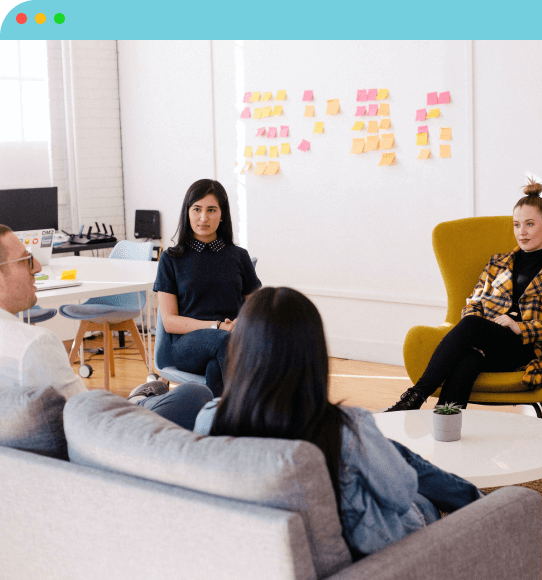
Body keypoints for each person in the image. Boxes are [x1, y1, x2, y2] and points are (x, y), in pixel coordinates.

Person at [192, 287, 484, 557]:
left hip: (264, 552)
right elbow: (400, 494)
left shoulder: (210, 418)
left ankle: (474, 498)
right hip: (369, 557)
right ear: (314, 354)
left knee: (388, 449)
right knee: (417, 494)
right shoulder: (345, 428)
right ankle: (486, 508)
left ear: (240, 350)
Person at [386, 179, 542, 411]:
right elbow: (474, 302)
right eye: (517, 225)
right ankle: (444, 422)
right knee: (469, 359)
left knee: (471, 325)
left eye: (530, 224)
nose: (522, 232)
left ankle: (415, 396)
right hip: (488, 342)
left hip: (526, 348)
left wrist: (522, 327)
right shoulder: (498, 262)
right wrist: (487, 329)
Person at [0, 224, 212, 430]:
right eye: (25, 260)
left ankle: (135, 401)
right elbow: (88, 417)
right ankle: (137, 402)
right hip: (108, 438)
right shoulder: (33, 346)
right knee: (195, 394)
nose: (37, 266)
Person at [154, 179, 261, 396]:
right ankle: (256, 413)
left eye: (211, 210)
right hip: (187, 346)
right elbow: (170, 321)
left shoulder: (239, 256)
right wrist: (217, 326)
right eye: (197, 209)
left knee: (217, 367)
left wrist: (242, 321)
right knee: (226, 342)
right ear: (187, 213)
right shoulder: (171, 259)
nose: (204, 218)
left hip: (229, 342)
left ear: (222, 215)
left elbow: (259, 308)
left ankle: (218, 424)